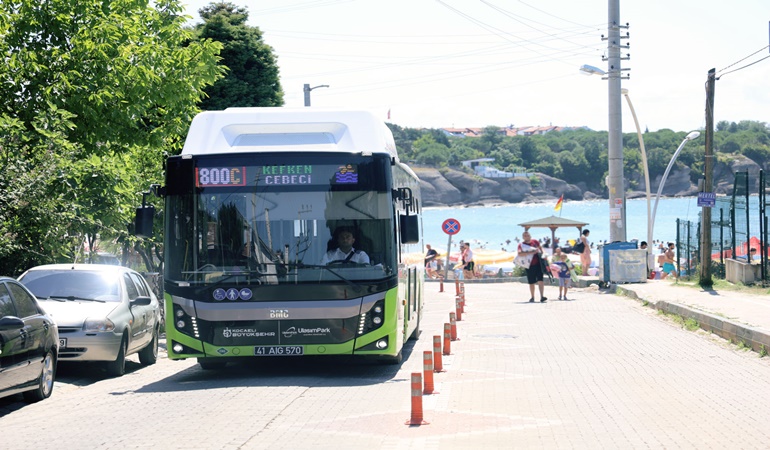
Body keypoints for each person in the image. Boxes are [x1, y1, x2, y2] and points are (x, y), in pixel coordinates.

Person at [517, 231, 547, 303]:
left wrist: (544, 254)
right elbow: (519, 253)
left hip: (539, 263)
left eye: (528, 235)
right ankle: (532, 297)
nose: (527, 237)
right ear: (523, 237)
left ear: (530, 236)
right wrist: (531, 252)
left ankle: (542, 296)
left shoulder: (535, 241)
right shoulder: (521, 245)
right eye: (525, 236)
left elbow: (541, 248)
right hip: (529, 265)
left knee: (540, 280)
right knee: (531, 282)